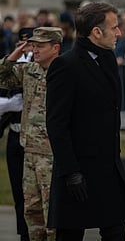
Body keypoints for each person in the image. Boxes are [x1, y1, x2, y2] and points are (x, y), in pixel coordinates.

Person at [45, 2, 125, 241]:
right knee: (70, 233)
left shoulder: (107, 59)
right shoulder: (65, 66)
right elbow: (57, 125)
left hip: (108, 167)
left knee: (116, 230)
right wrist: (71, 172)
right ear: (96, 32)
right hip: (77, 170)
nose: (119, 33)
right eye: (114, 28)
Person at [0, 27, 63, 241]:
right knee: (31, 211)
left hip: (52, 154)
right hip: (29, 152)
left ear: (56, 48)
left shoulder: (66, 72)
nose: (34, 49)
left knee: (53, 214)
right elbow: (2, 76)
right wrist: (15, 54)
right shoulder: (29, 71)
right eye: (33, 45)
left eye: (40, 46)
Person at [0, 28, 34, 241]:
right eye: (25, 45)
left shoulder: (42, 70)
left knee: (37, 194)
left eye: (33, 45)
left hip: (36, 141)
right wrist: (7, 106)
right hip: (15, 136)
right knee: (19, 193)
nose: (29, 49)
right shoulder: (15, 72)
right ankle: (24, 233)